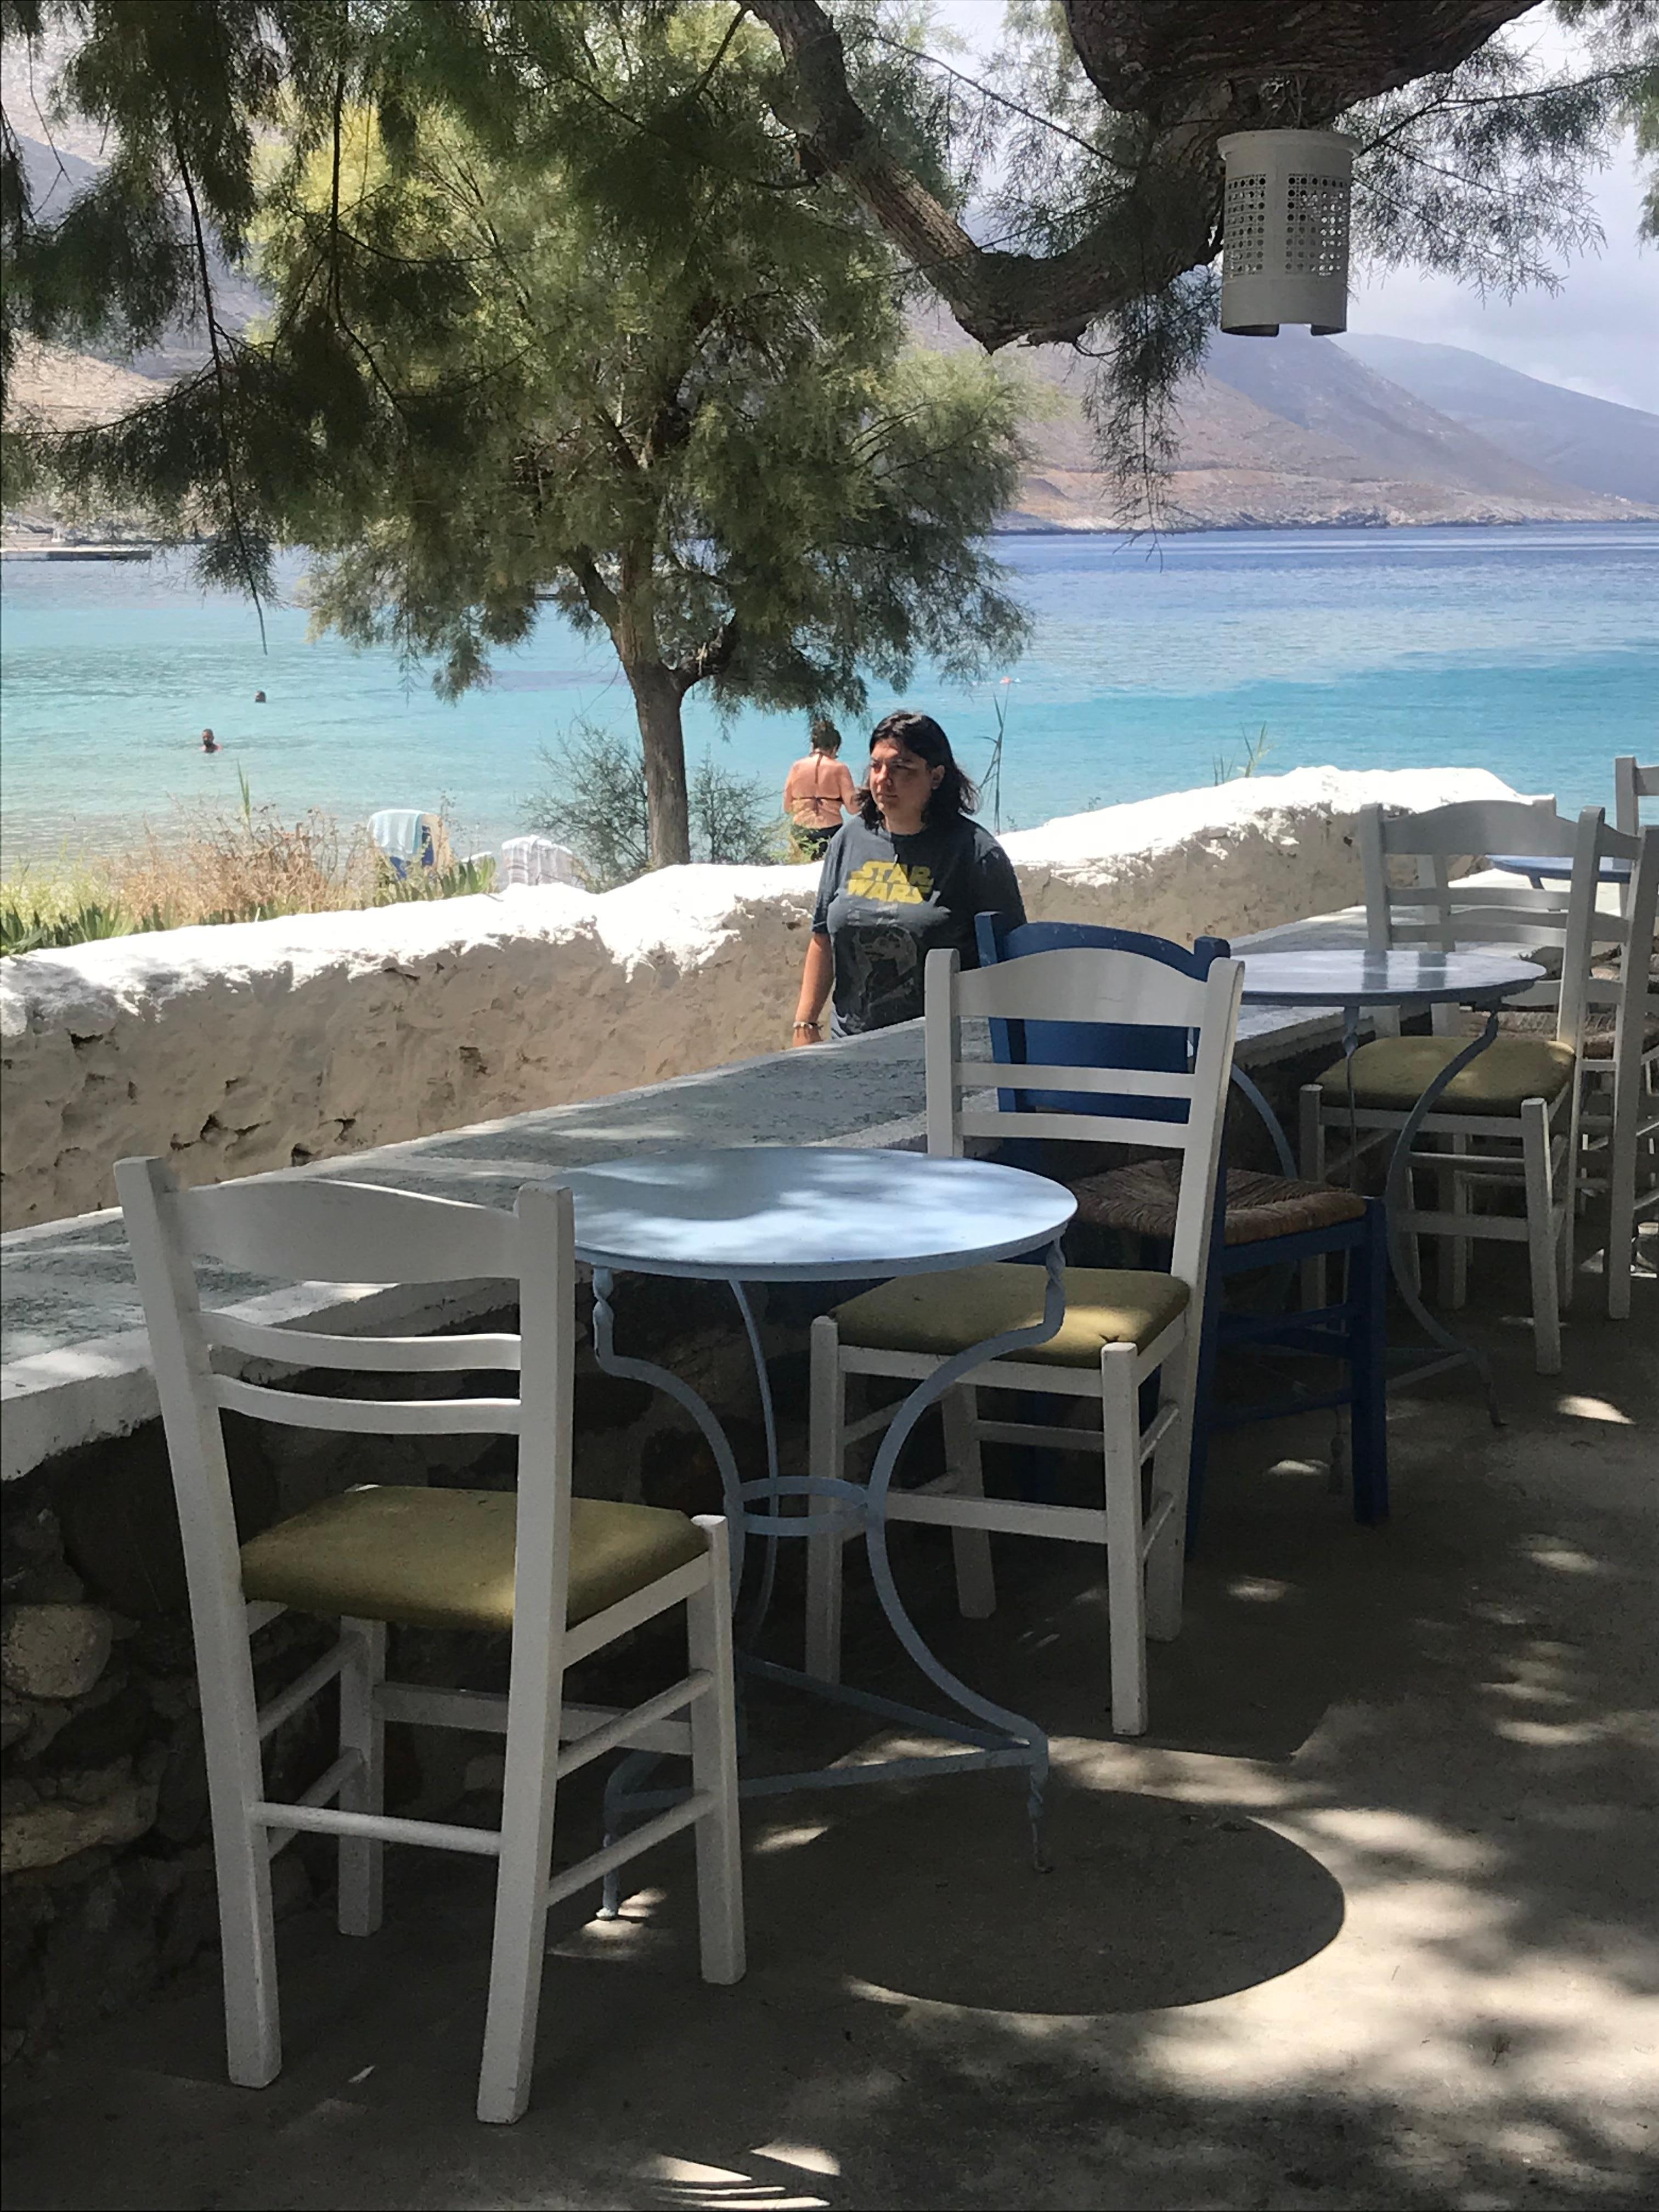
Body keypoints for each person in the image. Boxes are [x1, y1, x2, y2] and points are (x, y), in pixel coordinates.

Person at [790, 709, 1025, 1045]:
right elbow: (823, 938)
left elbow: (1010, 967)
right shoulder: (849, 839)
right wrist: (805, 1025)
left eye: (902, 769)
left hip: (944, 1054)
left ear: (936, 776)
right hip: (848, 1050)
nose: (883, 779)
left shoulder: (975, 853)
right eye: (876, 766)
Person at [782, 716, 857, 860]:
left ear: (812, 745)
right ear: (835, 747)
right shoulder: (840, 769)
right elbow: (852, 808)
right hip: (830, 830)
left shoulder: (797, 767)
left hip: (801, 830)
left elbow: (787, 807)